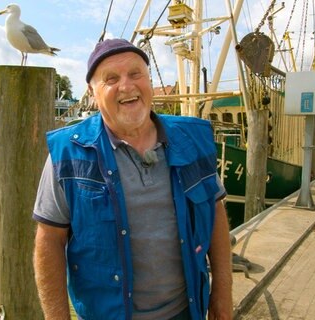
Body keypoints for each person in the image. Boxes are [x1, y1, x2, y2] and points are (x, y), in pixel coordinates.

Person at [32, 38, 233, 320]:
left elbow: (215, 210)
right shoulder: (67, 152)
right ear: (92, 92)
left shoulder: (193, 139)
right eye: (111, 79)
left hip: (186, 311)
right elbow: (49, 240)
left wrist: (222, 296)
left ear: (149, 80)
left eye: (135, 74)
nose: (126, 86)